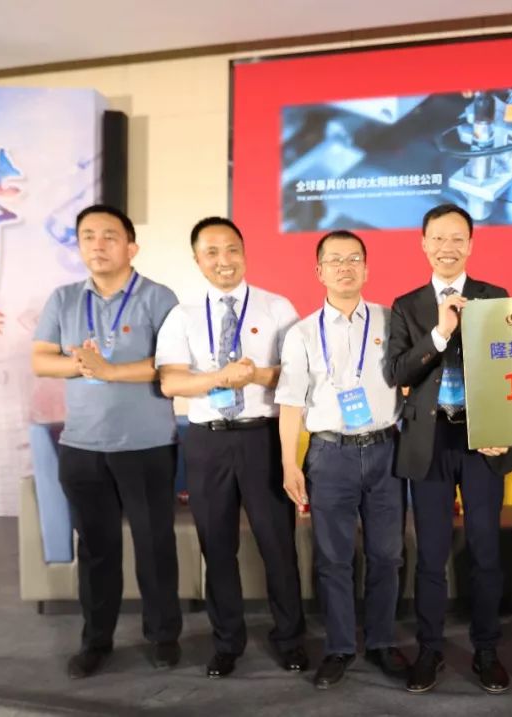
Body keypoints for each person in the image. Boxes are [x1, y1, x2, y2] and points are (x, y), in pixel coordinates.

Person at [32, 204, 182, 678]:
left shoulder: (158, 297)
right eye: (88, 236)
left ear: (131, 247)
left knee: (154, 544)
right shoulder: (63, 299)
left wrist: (110, 370)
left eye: (109, 236)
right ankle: (96, 641)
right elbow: (40, 359)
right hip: (83, 446)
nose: (98, 245)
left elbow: (170, 365)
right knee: (96, 549)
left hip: (147, 445)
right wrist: (82, 364)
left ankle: (164, 636)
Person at [156, 217, 306, 678]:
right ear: (198, 260)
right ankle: (227, 643)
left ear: (244, 252)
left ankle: (291, 640)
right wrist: (218, 378)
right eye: (212, 252)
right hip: (207, 442)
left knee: (277, 545)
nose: (224, 260)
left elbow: (298, 374)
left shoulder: (277, 307)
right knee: (216, 546)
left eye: (232, 249)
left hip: (263, 437)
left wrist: (255, 374)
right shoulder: (182, 315)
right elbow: (170, 382)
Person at [386, 203, 512, 694]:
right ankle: (430, 650)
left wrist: (507, 427)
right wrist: (441, 332)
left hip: (483, 439)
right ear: (424, 243)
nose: (447, 247)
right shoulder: (406, 305)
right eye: (438, 238)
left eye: (457, 238)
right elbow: (398, 372)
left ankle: (486, 650)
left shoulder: (495, 297)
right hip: (430, 441)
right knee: (431, 554)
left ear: (471, 244)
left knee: (486, 550)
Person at [277, 230, 409, 689]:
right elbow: (291, 403)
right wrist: (289, 463)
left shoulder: (392, 320)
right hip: (329, 455)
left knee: (387, 555)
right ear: (319, 271)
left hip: (386, 450)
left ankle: (381, 642)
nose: (345, 267)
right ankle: (339, 647)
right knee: (334, 558)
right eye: (334, 260)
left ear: (367, 269)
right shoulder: (301, 333)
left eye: (354, 259)